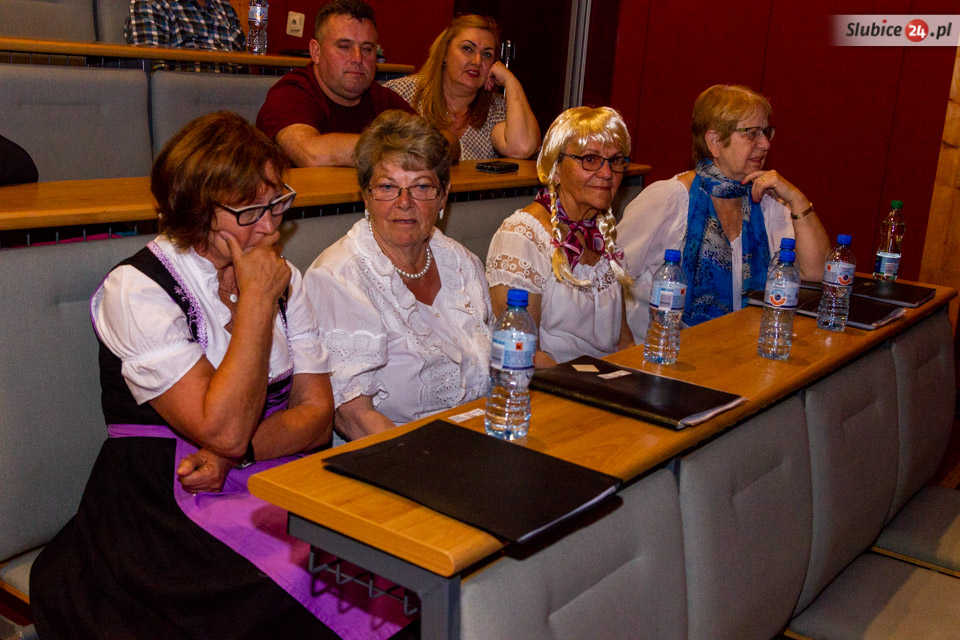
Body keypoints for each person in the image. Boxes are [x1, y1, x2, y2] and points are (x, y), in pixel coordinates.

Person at [30, 113, 415, 640]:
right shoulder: (138, 289)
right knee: (307, 585)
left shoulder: (283, 276)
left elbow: (317, 416)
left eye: (276, 202)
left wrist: (243, 452)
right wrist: (255, 302)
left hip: (269, 466)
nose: (270, 226)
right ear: (196, 210)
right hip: (167, 498)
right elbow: (222, 428)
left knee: (389, 551)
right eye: (250, 211)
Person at [304, 110, 492, 440]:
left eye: (422, 186)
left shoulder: (461, 263)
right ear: (365, 195)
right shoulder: (337, 277)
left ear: (443, 196)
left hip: (476, 441)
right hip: (393, 454)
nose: (405, 202)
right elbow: (353, 417)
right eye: (388, 186)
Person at [618, 84, 831, 341]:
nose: (765, 144)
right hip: (664, 349)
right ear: (715, 142)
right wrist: (623, 347)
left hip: (742, 349)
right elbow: (611, 276)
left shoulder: (766, 200)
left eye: (766, 132)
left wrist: (797, 199)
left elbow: (817, 272)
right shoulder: (668, 199)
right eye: (752, 133)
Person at [485, 106, 635, 367]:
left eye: (615, 160)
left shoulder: (603, 233)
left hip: (605, 381)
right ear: (555, 168)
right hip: (552, 384)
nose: (607, 173)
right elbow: (523, 355)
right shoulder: (522, 236)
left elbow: (624, 342)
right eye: (590, 159)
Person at [256, 0, 415, 167]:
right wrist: (396, 148)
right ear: (316, 52)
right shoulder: (289, 94)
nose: (358, 58)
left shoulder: (382, 98)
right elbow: (311, 155)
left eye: (367, 48)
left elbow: (431, 143)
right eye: (344, 46)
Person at [384, 14, 539, 161]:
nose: (477, 61)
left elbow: (522, 148)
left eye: (487, 54)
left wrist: (511, 81)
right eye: (467, 49)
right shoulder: (402, 93)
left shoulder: (495, 109)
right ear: (444, 53)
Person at [124, 0, 245, 51]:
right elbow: (154, 76)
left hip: (237, 93)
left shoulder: (223, 6)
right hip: (188, 94)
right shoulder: (150, 4)